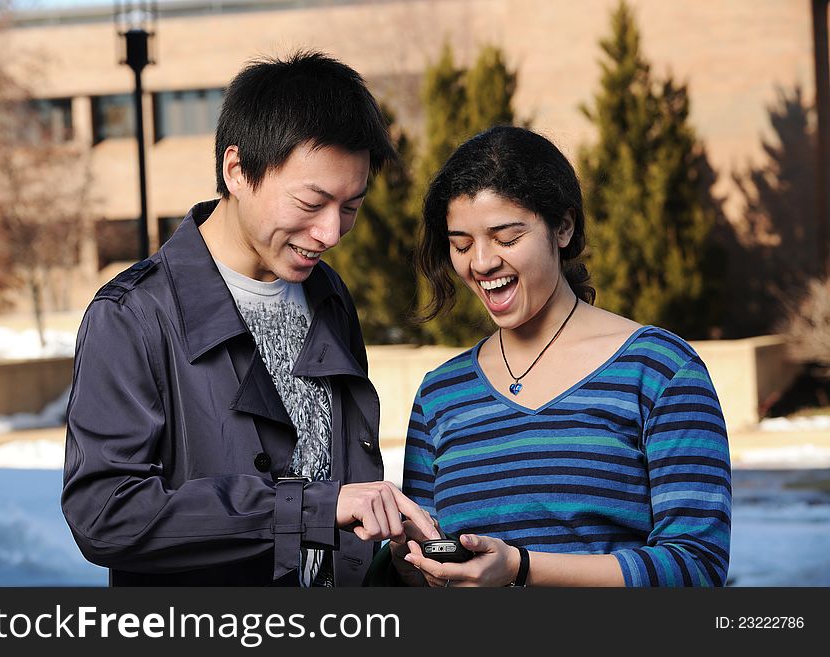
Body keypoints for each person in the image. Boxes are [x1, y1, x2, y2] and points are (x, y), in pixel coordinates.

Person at [61, 51, 438, 587]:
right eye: (311, 202)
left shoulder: (328, 294)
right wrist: (307, 508)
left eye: (351, 206)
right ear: (236, 170)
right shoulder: (132, 316)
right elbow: (104, 516)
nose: (330, 233)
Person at [390, 126, 731, 587]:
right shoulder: (440, 395)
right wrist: (417, 560)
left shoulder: (660, 370)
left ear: (564, 227)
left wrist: (520, 567)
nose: (482, 262)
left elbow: (697, 567)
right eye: (461, 244)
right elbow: (419, 576)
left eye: (506, 237)